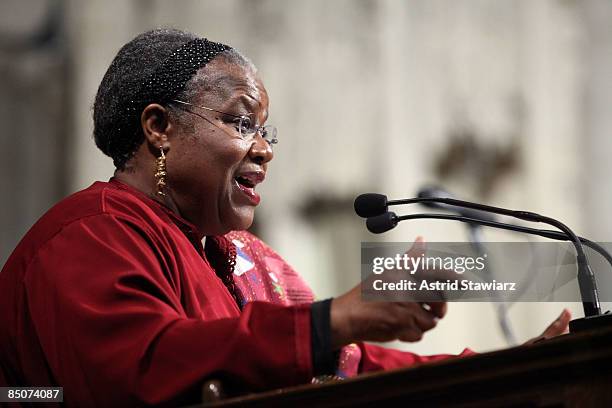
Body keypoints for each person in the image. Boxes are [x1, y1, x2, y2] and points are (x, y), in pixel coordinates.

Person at [0, 28, 571, 406]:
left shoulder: (248, 260)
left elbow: (350, 366)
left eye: (265, 129)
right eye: (241, 122)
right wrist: (334, 320)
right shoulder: (89, 235)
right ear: (159, 127)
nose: (266, 149)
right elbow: (145, 371)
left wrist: (514, 372)